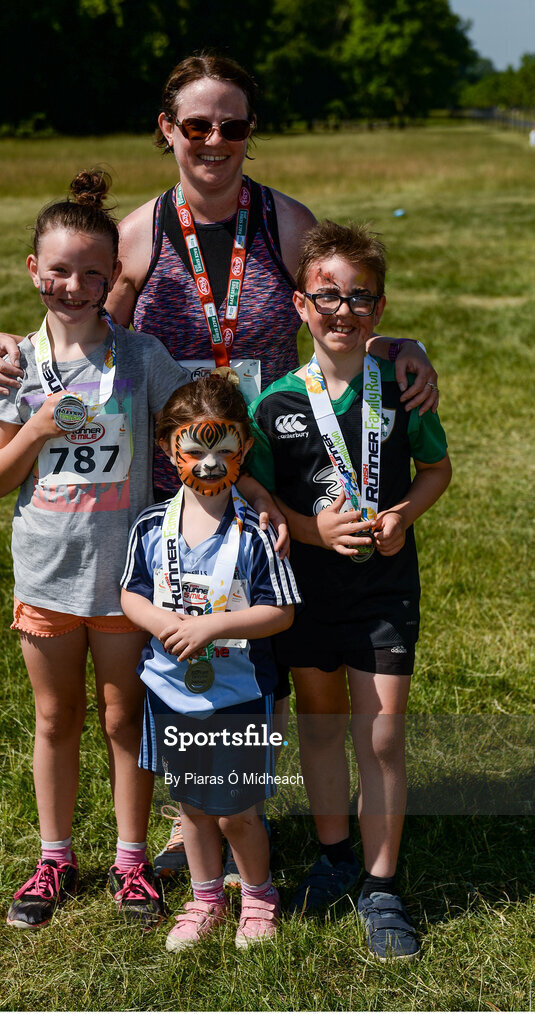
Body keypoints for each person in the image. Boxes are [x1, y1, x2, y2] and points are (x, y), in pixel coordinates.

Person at [0, 53, 440, 877]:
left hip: (269, 467)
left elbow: (339, 298)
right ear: (169, 132)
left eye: (232, 125)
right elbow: (81, 332)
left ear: (250, 135)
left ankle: (237, 815)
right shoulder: (139, 234)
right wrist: (3, 350)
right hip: (167, 483)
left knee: (253, 651)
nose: (215, 139)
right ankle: (195, 821)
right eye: (197, 125)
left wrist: (402, 345)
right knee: (181, 651)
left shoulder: (283, 221)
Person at [0, 169, 189, 929]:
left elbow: (193, 421)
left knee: (123, 715)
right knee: (54, 717)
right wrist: (34, 427)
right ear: (33, 269)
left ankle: (131, 865)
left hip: (124, 580)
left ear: (114, 279)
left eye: (91, 273)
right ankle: (56, 856)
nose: (73, 285)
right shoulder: (14, 363)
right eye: (59, 270)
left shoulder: (140, 357)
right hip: (45, 574)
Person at [249, 220, 451, 959]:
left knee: (383, 732)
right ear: (300, 305)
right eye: (326, 297)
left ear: (381, 308)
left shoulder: (399, 389)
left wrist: (402, 513)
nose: (342, 311)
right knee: (322, 723)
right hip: (305, 590)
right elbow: (259, 495)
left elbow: (436, 469)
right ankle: (334, 854)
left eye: (359, 298)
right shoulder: (275, 402)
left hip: (384, 587)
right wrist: (310, 532)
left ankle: (381, 882)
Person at [120, 375, 300, 950]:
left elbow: (282, 612)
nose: (207, 462)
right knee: (194, 808)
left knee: (238, 812)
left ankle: (258, 896)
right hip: (172, 694)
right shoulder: (151, 526)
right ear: (170, 449)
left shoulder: (256, 533)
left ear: (244, 449)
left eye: (223, 450)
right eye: (194, 449)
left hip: (238, 695)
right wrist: (160, 624)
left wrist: (214, 626)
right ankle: (205, 899)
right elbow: (131, 594)